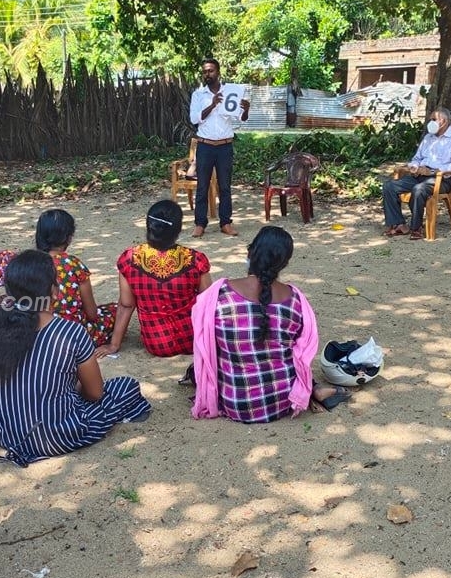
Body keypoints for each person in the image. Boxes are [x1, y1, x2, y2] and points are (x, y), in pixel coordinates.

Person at [0, 250, 151, 465]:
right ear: (53, 291)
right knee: (126, 386)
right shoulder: (70, 332)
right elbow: (95, 394)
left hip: (3, 432)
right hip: (57, 437)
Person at [191, 226, 350, 422]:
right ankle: (313, 389)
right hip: (283, 400)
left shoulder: (218, 295)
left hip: (236, 403)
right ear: (285, 264)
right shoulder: (296, 300)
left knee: (198, 366)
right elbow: (300, 355)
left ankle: (314, 389)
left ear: (250, 252)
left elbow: (206, 346)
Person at [95, 199, 212, 359]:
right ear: (178, 230)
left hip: (157, 343)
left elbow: (126, 305)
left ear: (149, 227)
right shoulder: (195, 259)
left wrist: (114, 344)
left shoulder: (130, 259)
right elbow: (208, 303)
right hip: (193, 339)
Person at [35, 208, 117, 346]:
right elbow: (92, 314)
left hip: (37, 332)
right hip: (73, 334)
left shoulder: (30, 263)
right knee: (115, 310)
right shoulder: (73, 264)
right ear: (69, 237)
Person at [382, 107, 451, 240]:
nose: (430, 123)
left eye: (433, 120)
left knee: (419, 189)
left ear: (443, 121)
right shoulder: (428, 137)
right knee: (389, 186)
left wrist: (432, 170)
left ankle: (416, 228)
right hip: (420, 176)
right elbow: (417, 159)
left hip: (441, 179)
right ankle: (398, 224)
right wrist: (415, 167)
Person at [189, 57, 250, 238]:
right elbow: (194, 119)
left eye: (211, 71)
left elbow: (241, 118)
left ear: (218, 72)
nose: (207, 74)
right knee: (202, 186)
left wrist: (246, 109)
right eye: (205, 71)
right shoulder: (198, 94)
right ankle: (200, 224)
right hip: (205, 145)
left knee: (225, 186)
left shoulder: (232, 92)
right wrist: (213, 104)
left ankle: (225, 223)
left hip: (224, 146)